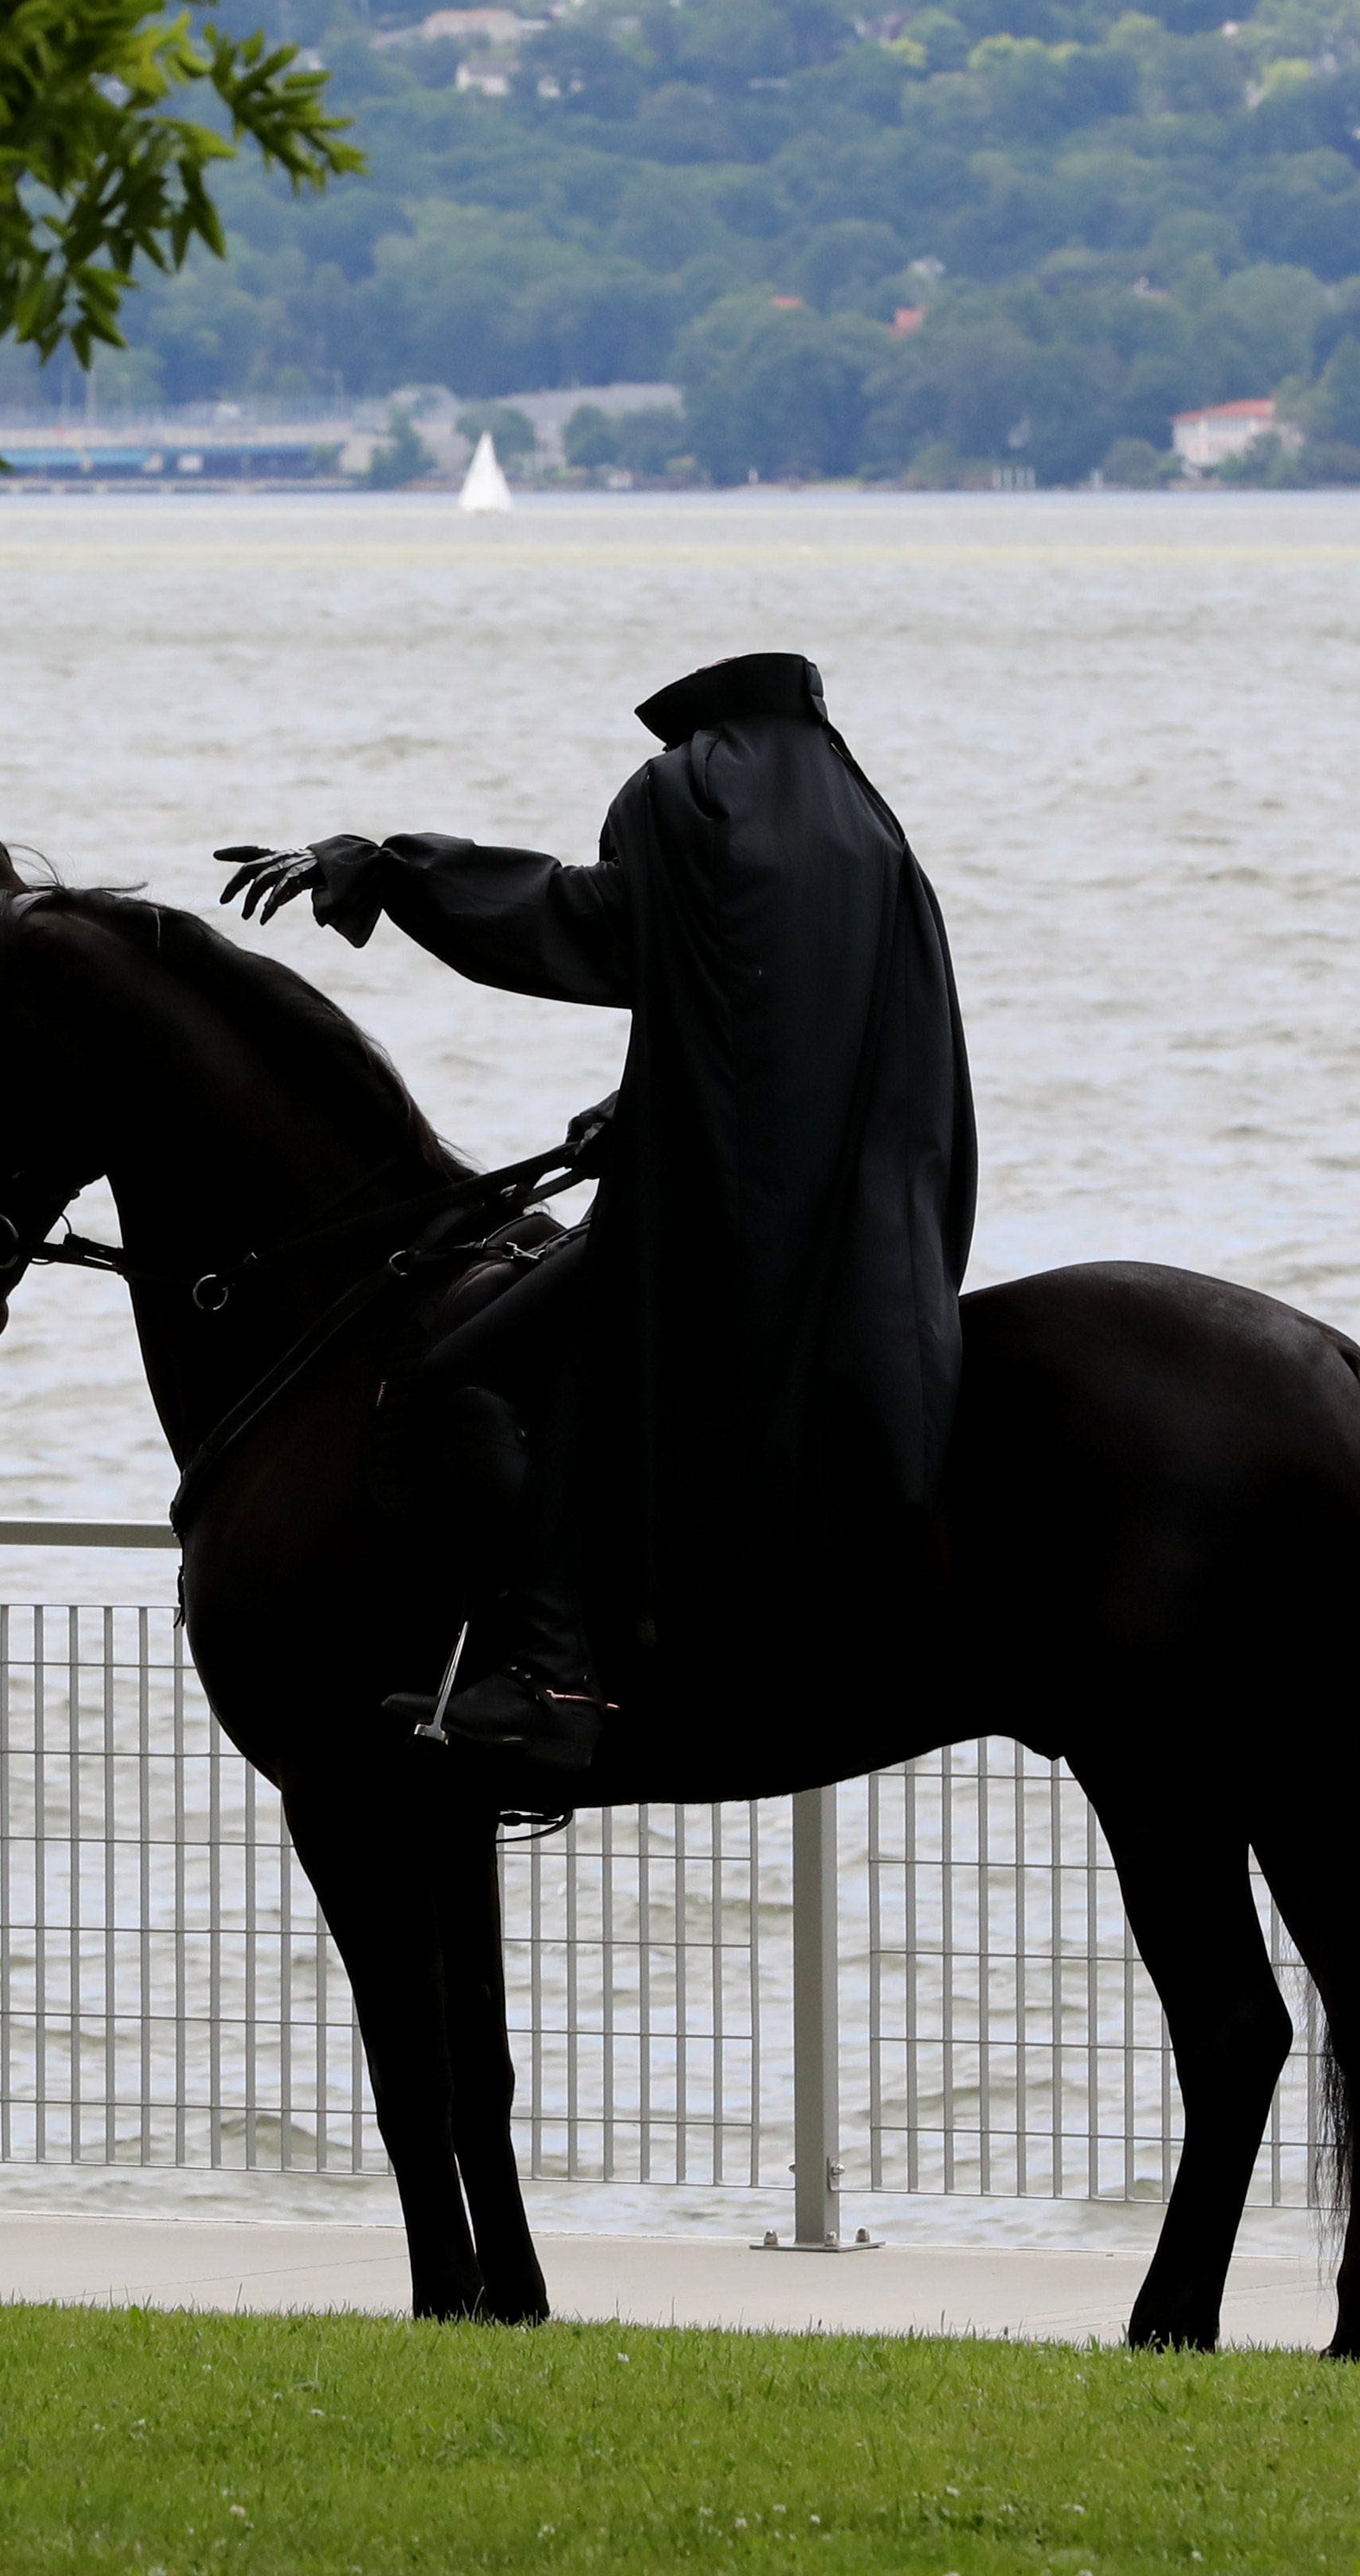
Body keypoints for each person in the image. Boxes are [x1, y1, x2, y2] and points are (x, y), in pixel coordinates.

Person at [218, 651, 975, 1772]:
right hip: (866, 1238)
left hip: (708, 1231)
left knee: (460, 1378)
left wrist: (384, 866)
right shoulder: (869, 838)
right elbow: (775, 1033)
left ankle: (552, 1675)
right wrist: (636, 1106)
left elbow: (580, 919)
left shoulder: (693, 792)